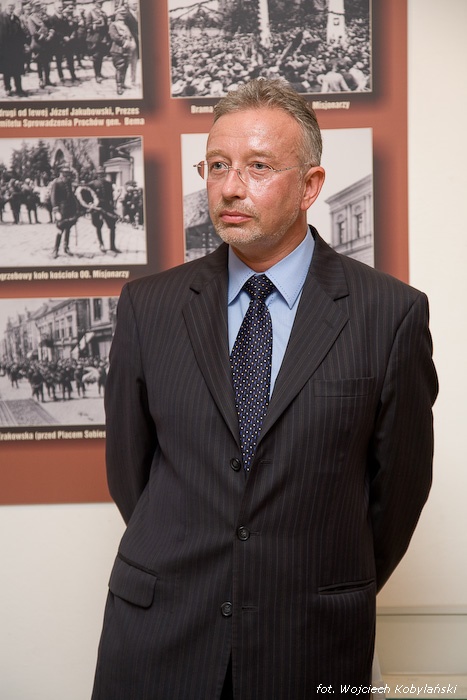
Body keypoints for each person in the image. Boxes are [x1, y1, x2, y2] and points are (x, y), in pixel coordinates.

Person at [91, 79, 438, 699]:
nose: (229, 187)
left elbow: (398, 494)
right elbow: (130, 472)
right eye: (217, 165)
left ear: (310, 185)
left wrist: (315, 582)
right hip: (161, 632)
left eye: (257, 167)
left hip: (310, 639)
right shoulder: (149, 307)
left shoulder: (390, 315)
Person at [49, 164, 79, 258]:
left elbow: (71, 196)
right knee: (60, 228)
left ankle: (66, 247)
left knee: (68, 228)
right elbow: (53, 197)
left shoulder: (69, 182)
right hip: (61, 209)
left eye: (67, 173)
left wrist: (75, 207)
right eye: (65, 173)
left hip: (69, 209)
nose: (66, 175)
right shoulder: (56, 183)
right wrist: (56, 210)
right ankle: (56, 249)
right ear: (61, 173)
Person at [88, 167, 120, 254]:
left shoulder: (109, 184)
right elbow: (87, 194)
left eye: (102, 174)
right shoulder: (92, 184)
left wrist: (112, 205)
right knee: (98, 226)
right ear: (97, 175)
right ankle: (101, 244)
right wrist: (90, 204)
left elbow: (111, 196)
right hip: (97, 208)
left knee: (112, 226)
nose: (101, 175)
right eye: (99, 174)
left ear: (105, 175)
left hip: (107, 207)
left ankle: (112, 246)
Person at [0, 2, 29, 97]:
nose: (11, 7)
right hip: (5, 49)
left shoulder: (16, 18)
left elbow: (20, 32)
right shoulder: (1, 17)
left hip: (16, 49)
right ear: (6, 6)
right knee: (6, 70)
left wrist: (24, 43)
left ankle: (19, 89)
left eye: (13, 6)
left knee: (17, 70)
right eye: (9, 5)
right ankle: (8, 88)